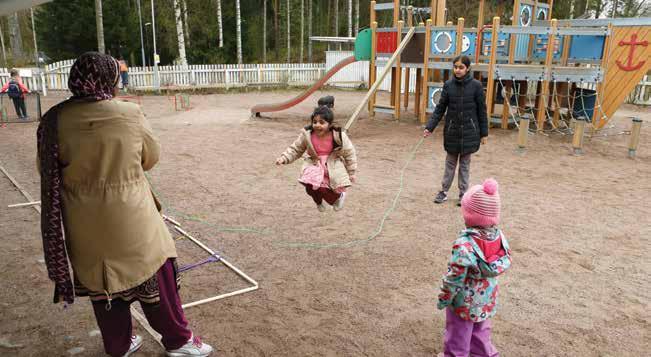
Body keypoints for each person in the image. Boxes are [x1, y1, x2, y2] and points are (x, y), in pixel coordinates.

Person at [36, 52, 213, 357]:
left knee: (104, 286)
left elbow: (46, 170)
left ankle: (118, 345)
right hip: (132, 217)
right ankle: (179, 341)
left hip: (83, 222)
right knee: (158, 277)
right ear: (110, 79)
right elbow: (150, 157)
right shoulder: (129, 113)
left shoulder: (53, 120)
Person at [436, 178, 511, 357]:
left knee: (458, 334)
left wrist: (445, 296)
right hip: (486, 298)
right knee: (481, 330)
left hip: (463, 301)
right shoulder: (499, 237)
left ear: (469, 214)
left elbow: (455, 276)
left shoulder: (465, 244)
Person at [423, 55, 488, 206]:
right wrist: (429, 127)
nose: (458, 70)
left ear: (468, 68)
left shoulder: (476, 86)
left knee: (465, 165)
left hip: (470, 133)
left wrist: (484, 134)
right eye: (456, 67)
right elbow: (440, 108)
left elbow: (482, 111)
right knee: (450, 163)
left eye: (461, 67)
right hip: (452, 132)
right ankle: (443, 191)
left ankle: (463, 194)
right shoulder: (448, 85)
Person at [275, 105, 357, 212]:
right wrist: (284, 158)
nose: (317, 125)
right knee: (310, 187)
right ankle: (318, 202)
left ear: (329, 124)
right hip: (314, 165)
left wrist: (352, 172)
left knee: (323, 189)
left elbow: (349, 153)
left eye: (322, 122)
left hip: (331, 166)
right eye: (315, 122)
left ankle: (338, 197)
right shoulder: (307, 134)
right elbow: (296, 148)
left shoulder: (338, 135)